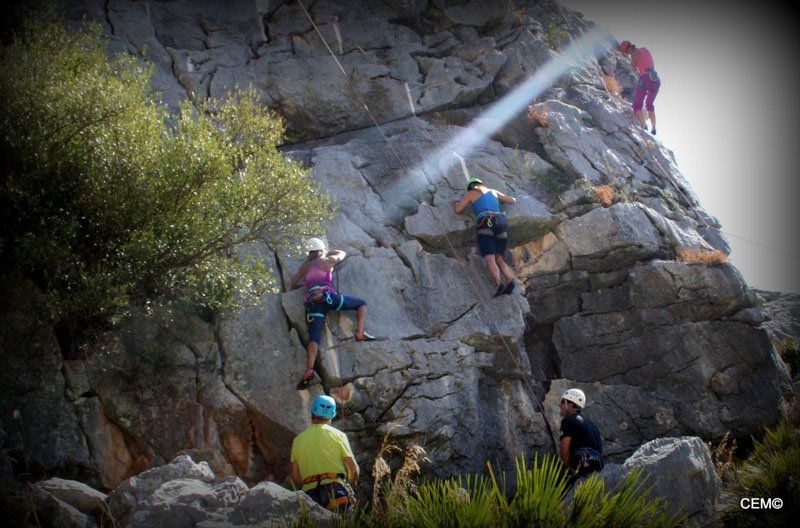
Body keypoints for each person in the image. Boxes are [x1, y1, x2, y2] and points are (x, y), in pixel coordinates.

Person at [290, 238, 375, 390]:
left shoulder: (305, 266)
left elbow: (292, 283)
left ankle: (309, 369)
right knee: (362, 304)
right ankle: (360, 333)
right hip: (329, 299)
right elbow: (342, 253)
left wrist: (309, 285)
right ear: (321, 250)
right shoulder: (328, 261)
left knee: (314, 338)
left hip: (314, 304)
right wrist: (327, 253)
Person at [291, 395, 359, 514]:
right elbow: (353, 468)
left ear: (312, 414)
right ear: (331, 417)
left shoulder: (297, 441)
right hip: (336, 490)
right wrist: (350, 485)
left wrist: (309, 484)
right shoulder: (339, 435)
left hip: (309, 495)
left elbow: (296, 476)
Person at [451, 178, 518, 297]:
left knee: (490, 258)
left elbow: (458, 210)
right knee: (499, 258)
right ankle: (509, 281)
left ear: (471, 187)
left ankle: (499, 285)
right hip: (501, 222)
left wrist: (455, 201)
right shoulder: (493, 191)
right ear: (481, 184)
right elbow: (511, 200)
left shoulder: (471, 193)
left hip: (486, 222)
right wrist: (513, 198)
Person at [559, 388, 604, 489]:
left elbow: (564, 452)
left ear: (570, 405)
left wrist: (566, 470)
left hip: (581, 470)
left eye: (562, 402)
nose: (560, 405)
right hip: (597, 469)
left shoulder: (568, 421)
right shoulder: (591, 424)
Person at [618, 40, 660, 135]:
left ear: (627, 50)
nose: (627, 54)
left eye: (626, 53)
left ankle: (643, 126)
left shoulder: (633, 54)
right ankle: (654, 128)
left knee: (637, 105)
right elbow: (649, 62)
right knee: (649, 104)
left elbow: (633, 69)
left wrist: (635, 65)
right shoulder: (644, 49)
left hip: (645, 79)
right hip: (655, 79)